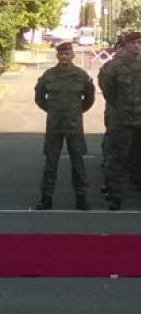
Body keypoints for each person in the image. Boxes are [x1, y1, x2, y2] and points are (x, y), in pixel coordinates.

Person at [98, 31, 141, 211]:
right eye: (133, 43)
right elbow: (109, 92)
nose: (137, 46)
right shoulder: (113, 68)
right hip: (122, 119)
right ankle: (115, 196)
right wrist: (121, 107)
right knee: (119, 159)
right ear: (125, 45)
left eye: (140, 42)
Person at [34, 42, 96, 210]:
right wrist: (52, 110)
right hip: (54, 126)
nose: (64, 57)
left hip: (74, 126)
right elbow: (39, 97)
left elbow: (89, 98)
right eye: (61, 54)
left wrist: (76, 111)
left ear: (72, 55)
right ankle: (46, 197)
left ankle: (81, 197)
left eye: (67, 54)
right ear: (57, 56)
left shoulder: (81, 75)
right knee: (50, 163)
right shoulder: (49, 75)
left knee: (78, 163)